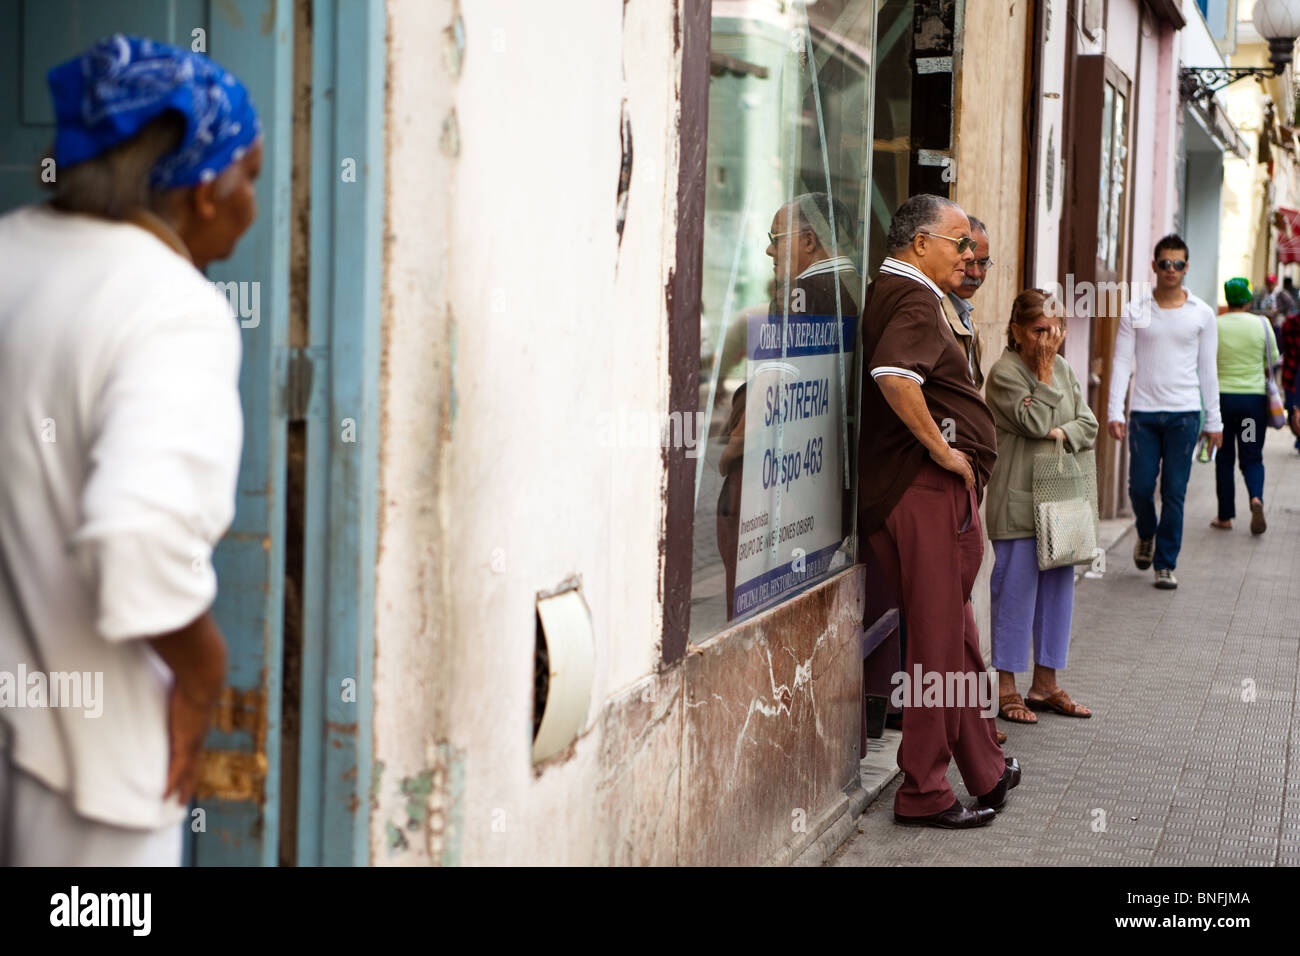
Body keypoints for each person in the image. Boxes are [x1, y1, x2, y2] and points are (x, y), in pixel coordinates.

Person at [0, 35, 260, 865]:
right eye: (249, 176)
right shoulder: (172, 309)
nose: (252, 205)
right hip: (92, 787)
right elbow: (135, 535)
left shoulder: (10, 252)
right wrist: (202, 671)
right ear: (200, 191)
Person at [858, 194, 1018, 830]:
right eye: (960, 242)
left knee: (954, 636)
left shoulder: (905, 290)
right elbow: (894, 375)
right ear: (921, 242)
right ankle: (923, 791)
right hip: (921, 490)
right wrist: (946, 452)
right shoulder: (915, 295)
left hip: (930, 492)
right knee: (934, 645)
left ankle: (982, 768)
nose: (970, 253)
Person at [717, 193, 858, 617]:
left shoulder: (801, 294)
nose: (768, 249)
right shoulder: (854, 286)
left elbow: (772, 396)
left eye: (775, 237)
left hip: (780, 486)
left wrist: (729, 452)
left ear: (810, 241)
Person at [985, 290, 1097, 727]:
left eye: (1055, 331)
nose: (1047, 341)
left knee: (1057, 594)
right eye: (1038, 331)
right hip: (1018, 503)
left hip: (1061, 503)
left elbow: (1087, 425)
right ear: (1015, 331)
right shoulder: (1005, 374)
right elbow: (1032, 422)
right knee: (1014, 596)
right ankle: (1006, 687)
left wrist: (1059, 432)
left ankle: (1045, 684)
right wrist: (1046, 377)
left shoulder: (1064, 368)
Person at [1107, 234, 1222, 590]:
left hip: (1185, 415)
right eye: (1164, 263)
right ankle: (1146, 532)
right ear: (1154, 266)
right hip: (1143, 413)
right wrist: (1115, 410)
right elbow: (1123, 361)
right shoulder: (1136, 311)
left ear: (1186, 268)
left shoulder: (1202, 314)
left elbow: (1208, 370)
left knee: (1174, 491)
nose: (1170, 270)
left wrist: (1214, 420)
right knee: (1140, 488)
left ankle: (1165, 563)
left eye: (1178, 264)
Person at [1209, 278, 1279, 534]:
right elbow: (1272, 359)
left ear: (1227, 300)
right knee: (1251, 455)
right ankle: (1256, 498)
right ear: (1249, 299)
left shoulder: (1215, 325)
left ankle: (1225, 516)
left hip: (1223, 403)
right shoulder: (1262, 324)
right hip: (1252, 404)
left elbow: (1206, 360)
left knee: (1225, 457)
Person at [942, 215, 990, 388]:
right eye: (969, 262)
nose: (976, 273)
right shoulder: (931, 310)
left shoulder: (969, 322)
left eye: (983, 263)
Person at [1280, 286, 1300, 453]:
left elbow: (1282, 346)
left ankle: (1299, 437)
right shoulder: (1290, 324)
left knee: (1291, 406)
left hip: (1291, 371)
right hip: (1293, 371)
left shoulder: (1289, 324)